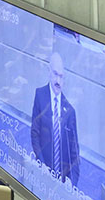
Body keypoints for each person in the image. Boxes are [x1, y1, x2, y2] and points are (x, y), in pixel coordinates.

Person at [31, 52, 80, 186]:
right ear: (49, 72)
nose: (58, 81)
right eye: (55, 74)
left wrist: (73, 185)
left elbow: (75, 153)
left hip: (62, 180)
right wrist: (41, 165)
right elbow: (35, 134)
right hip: (43, 172)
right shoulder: (40, 95)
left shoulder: (70, 111)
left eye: (61, 76)